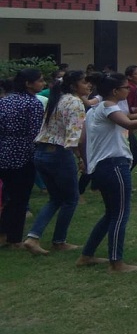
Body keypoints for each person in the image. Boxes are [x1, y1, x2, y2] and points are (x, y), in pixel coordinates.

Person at [78, 73, 137, 271]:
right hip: (114, 165)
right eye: (125, 88)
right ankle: (116, 262)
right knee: (120, 215)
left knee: (110, 214)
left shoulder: (94, 110)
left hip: (101, 166)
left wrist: (87, 162)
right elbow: (128, 124)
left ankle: (87, 255)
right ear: (115, 91)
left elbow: (82, 140)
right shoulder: (109, 107)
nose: (128, 90)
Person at [23, 71, 91, 255]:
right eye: (85, 82)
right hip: (59, 154)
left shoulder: (57, 99)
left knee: (56, 198)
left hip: (41, 153)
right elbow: (76, 137)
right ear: (73, 85)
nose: (89, 85)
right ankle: (59, 241)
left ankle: (33, 237)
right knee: (71, 199)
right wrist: (83, 159)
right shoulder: (75, 102)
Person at [0, 68, 46, 250]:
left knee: (9, 196)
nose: (43, 84)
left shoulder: (5, 101)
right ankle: (14, 238)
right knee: (20, 198)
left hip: (4, 150)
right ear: (28, 84)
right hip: (23, 153)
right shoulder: (33, 103)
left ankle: (3, 233)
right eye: (40, 80)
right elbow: (36, 132)